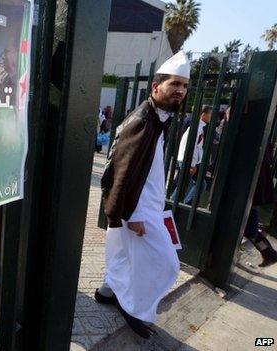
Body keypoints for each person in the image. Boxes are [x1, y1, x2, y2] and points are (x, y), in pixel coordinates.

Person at [96, 51, 190, 339]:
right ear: (155, 87)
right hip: (137, 211)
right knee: (166, 264)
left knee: (123, 255)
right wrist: (131, 216)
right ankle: (134, 308)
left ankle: (106, 292)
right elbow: (119, 172)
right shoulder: (143, 121)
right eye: (175, 84)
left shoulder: (156, 117)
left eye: (185, 86)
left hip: (142, 205)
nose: (180, 91)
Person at [171, 105, 212, 204]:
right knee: (185, 185)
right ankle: (173, 203)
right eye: (210, 114)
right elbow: (192, 147)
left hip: (188, 160)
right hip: (188, 161)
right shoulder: (197, 128)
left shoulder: (198, 127)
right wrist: (192, 164)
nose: (212, 116)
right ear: (203, 115)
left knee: (198, 185)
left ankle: (180, 203)